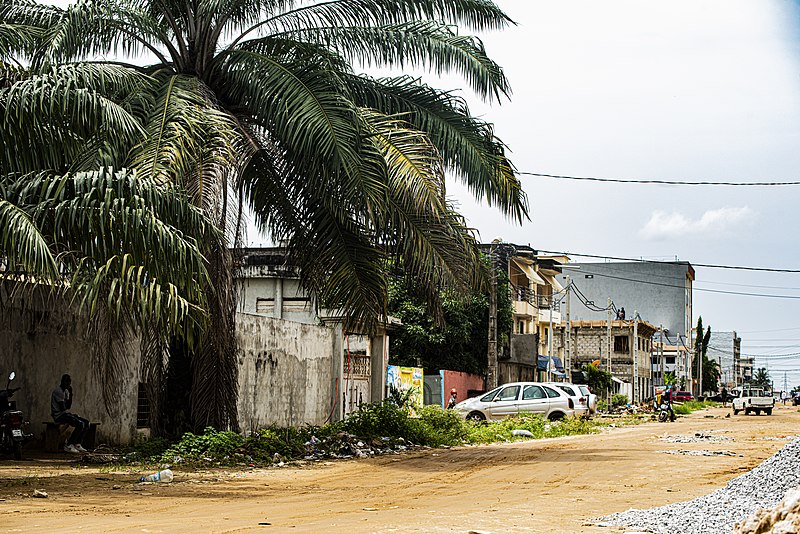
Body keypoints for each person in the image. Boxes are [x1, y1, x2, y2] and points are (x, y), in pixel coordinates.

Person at [51, 374, 89, 454]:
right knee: (80, 424)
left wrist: (71, 394)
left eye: (69, 382)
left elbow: (68, 406)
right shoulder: (58, 391)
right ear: (62, 382)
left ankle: (77, 443)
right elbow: (63, 408)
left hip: (65, 414)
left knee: (86, 423)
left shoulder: (65, 391)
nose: (67, 384)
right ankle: (69, 444)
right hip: (59, 415)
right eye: (66, 381)